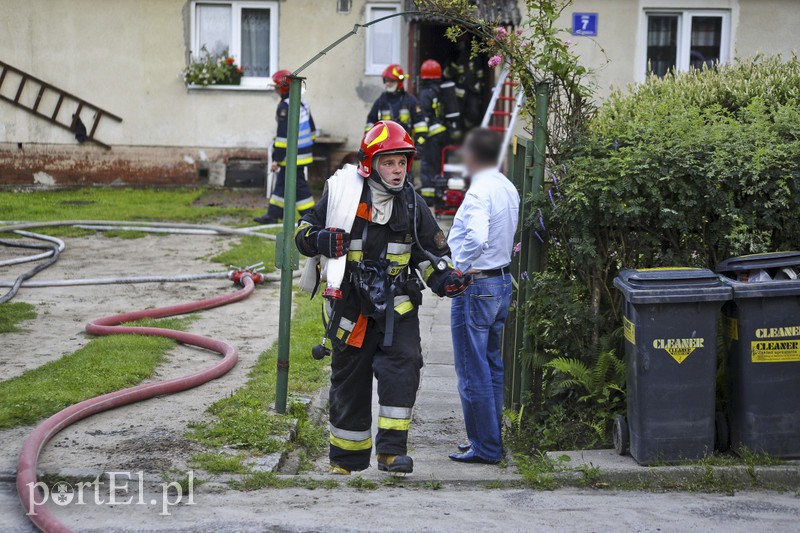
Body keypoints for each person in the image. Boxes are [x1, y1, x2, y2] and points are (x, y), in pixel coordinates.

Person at [295, 120, 471, 475]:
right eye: (389, 162)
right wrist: (321, 240)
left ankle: (392, 453)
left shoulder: (412, 202)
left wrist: (445, 278)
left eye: (402, 163)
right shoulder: (343, 196)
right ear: (371, 163)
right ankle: (346, 460)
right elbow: (303, 232)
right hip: (351, 307)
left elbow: (429, 253)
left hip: (396, 305)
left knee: (404, 366)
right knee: (350, 379)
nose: (397, 170)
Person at [447, 128, 520, 465]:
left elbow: (475, 237)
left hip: (475, 287)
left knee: (470, 369)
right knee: (491, 365)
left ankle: (485, 447)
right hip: (501, 282)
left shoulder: (479, 192)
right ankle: (491, 439)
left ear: (473, 157)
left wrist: (459, 267)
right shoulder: (507, 186)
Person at [253, 70, 317, 224]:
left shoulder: (284, 107)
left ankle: (313, 218)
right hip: (304, 153)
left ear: (283, 88)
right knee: (283, 182)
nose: (275, 90)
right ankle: (273, 214)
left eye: (276, 87)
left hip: (293, 155)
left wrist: (277, 159)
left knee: (299, 186)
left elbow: (282, 138)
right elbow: (313, 129)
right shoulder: (302, 103)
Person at [418, 59, 462, 204]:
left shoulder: (425, 93)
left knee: (428, 165)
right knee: (441, 164)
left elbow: (424, 118)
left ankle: (429, 198)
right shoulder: (441, 89)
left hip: (432, 135)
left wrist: (420, 140)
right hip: (444, 132)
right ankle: (443, 193)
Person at [365, 65, 428, 144]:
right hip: (385, 146)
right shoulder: (381, 101)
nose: (388, 83)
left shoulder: (411, 101)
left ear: (399, 82)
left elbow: (421, 127)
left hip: (405, 145)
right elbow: (370, 122)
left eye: (392, 81)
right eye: (386, 80)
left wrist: (419, 148)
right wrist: (368, 141)